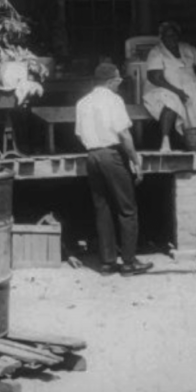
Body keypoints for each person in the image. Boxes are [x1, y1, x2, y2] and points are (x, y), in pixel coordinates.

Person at [75, 62, 154, 276]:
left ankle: (107, 263)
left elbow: (80, 134)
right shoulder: (114, 100)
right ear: (110, 81)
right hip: (112, 155)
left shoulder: (83, 103)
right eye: (118, 79)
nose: (120, 82)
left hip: (92, 156)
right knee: (127, 210)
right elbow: (124, 134)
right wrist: (136, 161)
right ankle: (128, 262)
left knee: (103, 210)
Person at [143, 21, 196, 152]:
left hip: (189, 86)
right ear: (162, 37)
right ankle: (165, 141)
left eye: (174, 35)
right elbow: (155, 77)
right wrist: (177, 91)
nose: (172, 38)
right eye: (168, 35)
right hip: (163, 88)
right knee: (172, 101)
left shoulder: (186, 48)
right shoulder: (157, 52)